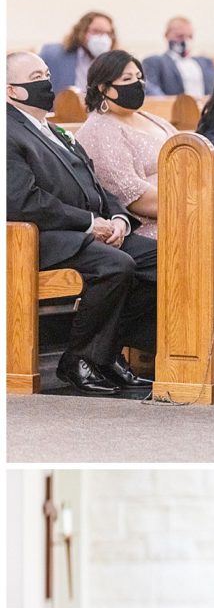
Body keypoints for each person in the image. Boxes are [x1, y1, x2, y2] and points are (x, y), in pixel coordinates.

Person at [7, 51, 156, 395]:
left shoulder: (51, 128)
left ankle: (105, 354)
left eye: (46, 72)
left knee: (162, 260)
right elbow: (23, 201)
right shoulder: (9, 132)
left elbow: (95, 182)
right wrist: (90, 223)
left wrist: (118, 217)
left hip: (88, 230)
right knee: (116, 266)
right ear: (12, 91)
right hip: (43, 237)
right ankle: (77, 358)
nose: (46, 81)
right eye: (35, 76)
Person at [76, 50, 177, 240]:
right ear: (103, 87)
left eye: (139, 77)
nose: (137, 84)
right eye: (127, 79)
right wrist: (189, 205)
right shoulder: (99, 130)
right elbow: (131, 195)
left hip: (185, 206)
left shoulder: (151, 119)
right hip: (150, 224)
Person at [40, 10, 116, 94]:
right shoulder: (52, 55)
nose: (102, 38)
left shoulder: (116, 64)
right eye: (96, 31)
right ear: (81, 32)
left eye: (108, 33)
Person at [142, 17, 214, 97]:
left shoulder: (206, 62)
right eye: (180, 36)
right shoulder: (155, 61)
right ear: (167, 35)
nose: (185, 40)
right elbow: (152, 91)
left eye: (190, 36)